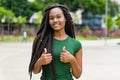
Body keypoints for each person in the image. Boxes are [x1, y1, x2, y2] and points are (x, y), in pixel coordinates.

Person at [29, 3, 82, 80]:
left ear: (65, 18)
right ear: (48, 21)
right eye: (51, 18)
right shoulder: (42, 41)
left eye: (58, 17)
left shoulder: (76, 44)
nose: (55, 20)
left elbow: (77, 75)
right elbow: (35, 71)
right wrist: (40, 61)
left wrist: (72, 60)